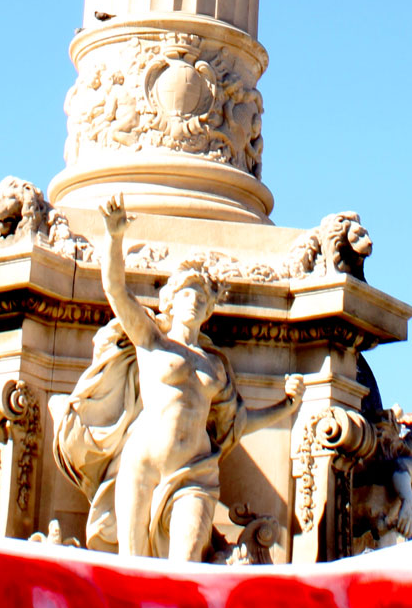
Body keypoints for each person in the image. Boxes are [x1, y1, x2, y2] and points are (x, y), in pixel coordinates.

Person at [54, 195, 303, 560]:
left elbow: (239, 422)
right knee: (132, 568)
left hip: (196, 472)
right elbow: (115, 290)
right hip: (142, 465)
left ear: (210, 309)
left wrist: (287, 406)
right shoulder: (151, 341)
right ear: (169, 301)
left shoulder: (215, 366)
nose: (195, 301)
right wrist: (114, 235)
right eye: (188, 293)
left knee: (185, 568)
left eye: (203, 297)